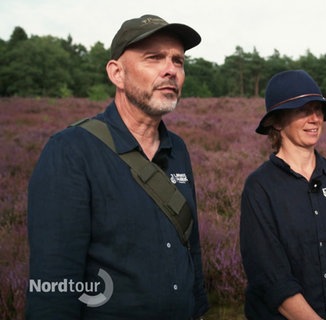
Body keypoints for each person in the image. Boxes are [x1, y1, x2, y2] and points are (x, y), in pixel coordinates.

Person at [27, 15, 208, 319]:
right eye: (154, 58)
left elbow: (191, 246)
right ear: (117, 73)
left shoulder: (177, 149)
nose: (171, 70)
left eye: (178, 61)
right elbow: (53, 281)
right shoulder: (70, 151)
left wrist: (199, 309)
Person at [240, 69, 326, 319]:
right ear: (277, 122)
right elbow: (271, 277)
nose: (315, 118)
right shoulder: (259, 187)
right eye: (303, 110)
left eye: (318, 109)